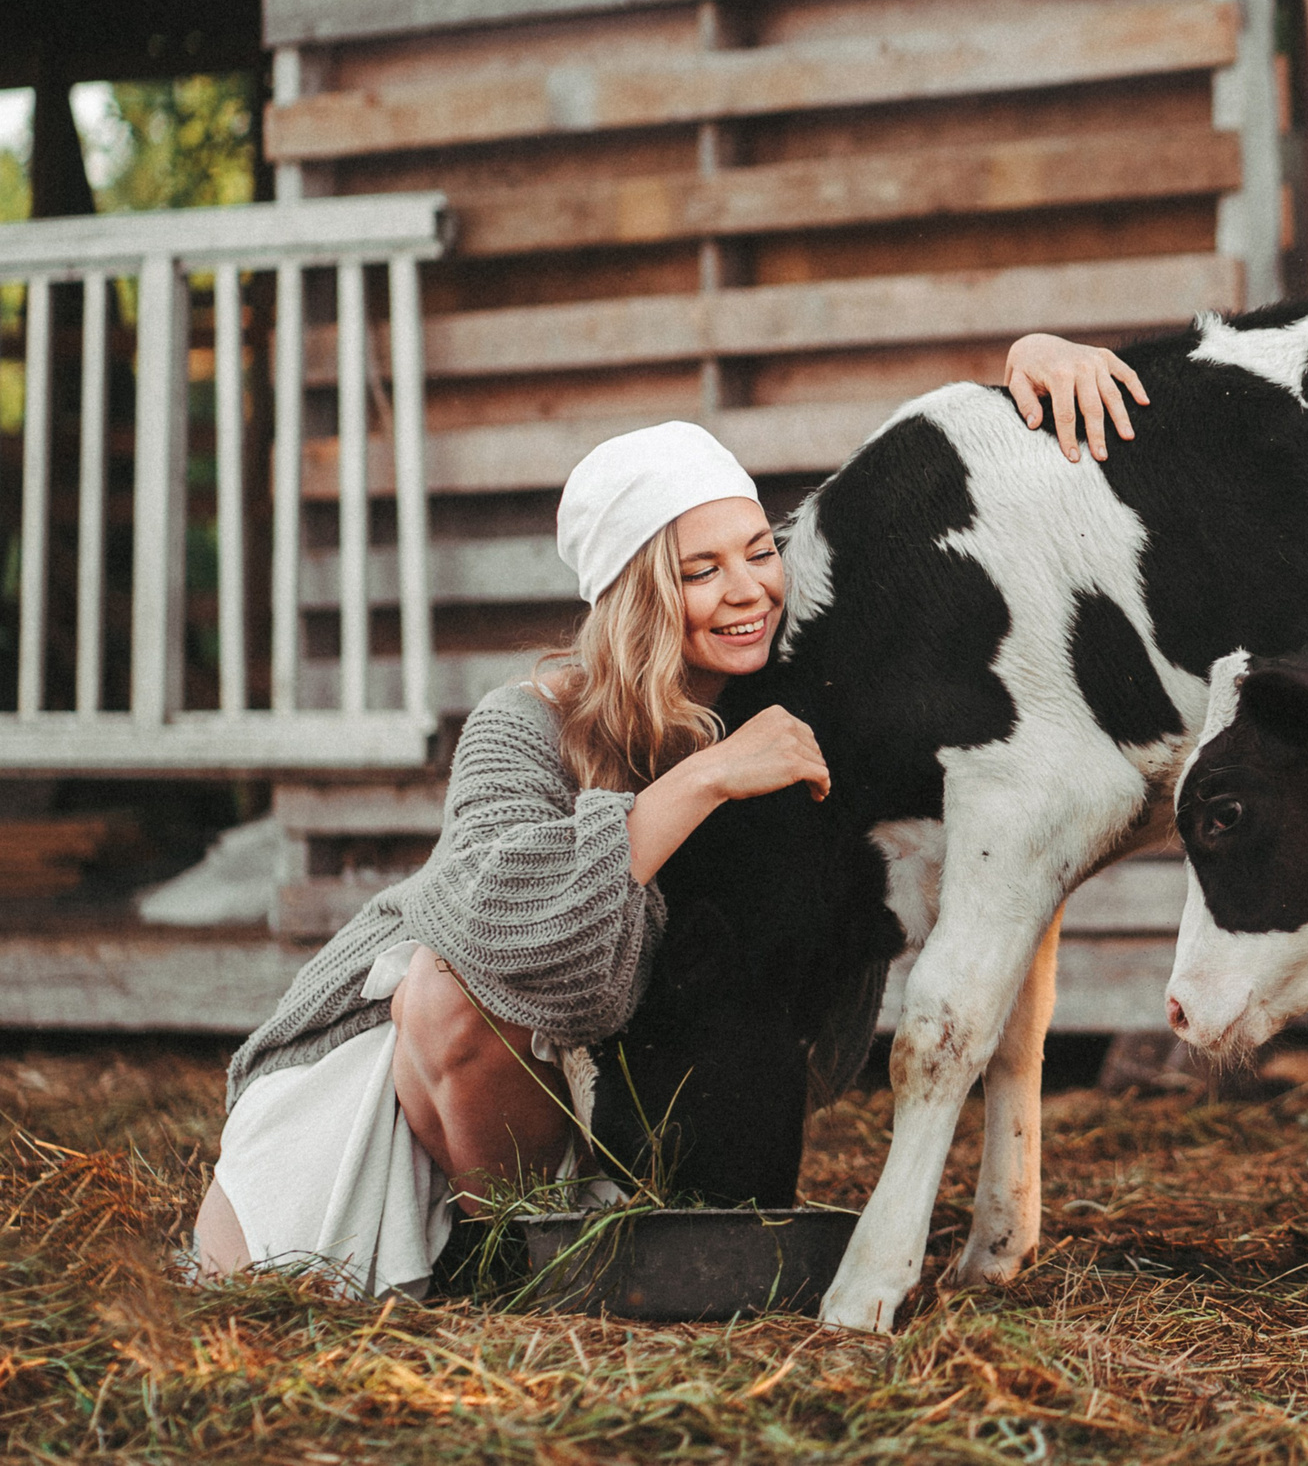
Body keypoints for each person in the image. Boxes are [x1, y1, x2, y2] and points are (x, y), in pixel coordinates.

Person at [194, 338, 1145, 1295]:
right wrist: (704, 779)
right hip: (438, 1095)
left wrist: (1026, 365)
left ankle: (560, 1256)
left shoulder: (783, 675)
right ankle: (518, 1259)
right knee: (397, 1050)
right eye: (700, 571)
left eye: (760, 552)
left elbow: (896, 530)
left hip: (639, 1094)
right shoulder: (526, 722)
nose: (748, 590)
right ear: (639, 593)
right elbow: (502, 937)